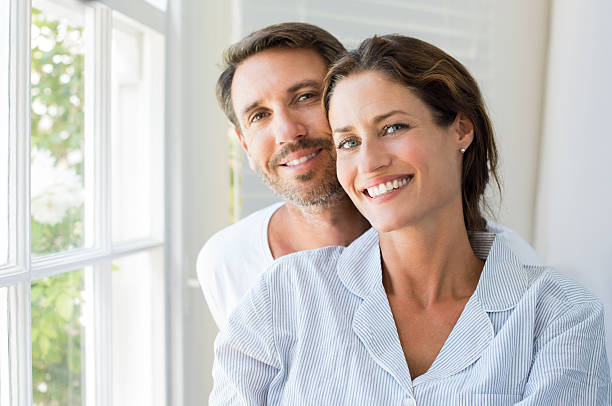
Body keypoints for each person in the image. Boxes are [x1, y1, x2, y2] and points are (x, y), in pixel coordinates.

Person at [210, 35, 612, 405]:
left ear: (461, 130)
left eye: (394, 127)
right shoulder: (285, 291)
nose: (369, 161)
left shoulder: (561, 316)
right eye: (348, 142)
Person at [197, 23, 541, 331]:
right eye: (259, 116)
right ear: (244, 144)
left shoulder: (510, 267)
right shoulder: (226, 262)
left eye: (305, 97)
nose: (287, 131)